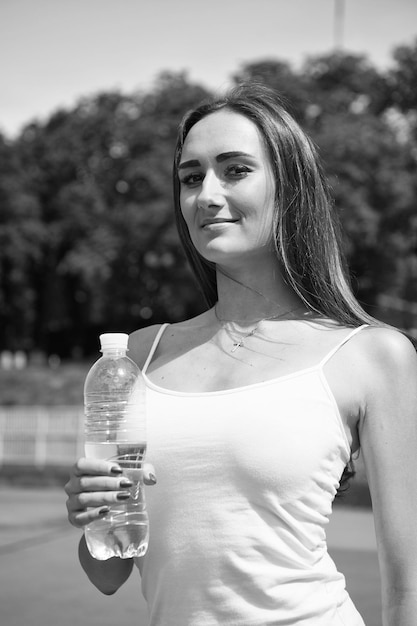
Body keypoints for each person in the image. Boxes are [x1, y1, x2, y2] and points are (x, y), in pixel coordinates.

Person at [65, 83, 417, 625]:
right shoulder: (135, 355)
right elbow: (108, 574)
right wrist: (93, 517)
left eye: (235, 170)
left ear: (290, 186)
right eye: (190, 177)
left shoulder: (372, 356)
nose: (206, 194)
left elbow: (409, 588)